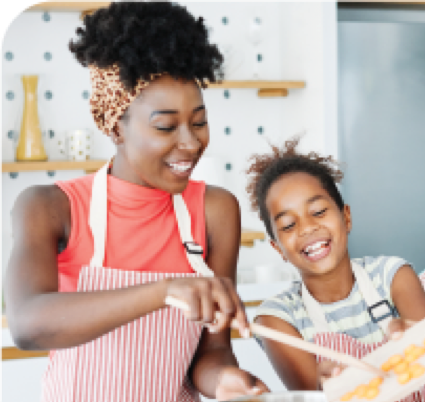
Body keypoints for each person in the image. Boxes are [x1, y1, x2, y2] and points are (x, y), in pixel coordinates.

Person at [4, 1, 269, 401]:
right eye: (166, 126)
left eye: (199, 122)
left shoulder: (215, 211)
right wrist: (164, 290)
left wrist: (224, 381)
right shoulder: (50, 207)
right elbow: (26, 325)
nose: (191, 142)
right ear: (116, 126)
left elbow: (212, 352)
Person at [245, 136, 425, 397]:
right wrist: (323, 385)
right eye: (288, 225)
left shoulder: (392, 276)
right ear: (277, 249)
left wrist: (414, 338)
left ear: (346, 217)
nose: (307, 228)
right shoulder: (277, 319)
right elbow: (311, 393)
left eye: (318, 212)